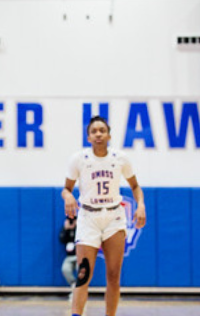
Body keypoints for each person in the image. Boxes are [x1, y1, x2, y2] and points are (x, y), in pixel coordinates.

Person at [62, 116, 147, 316]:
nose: (98, 134)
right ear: (88, 136)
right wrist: (68, 197)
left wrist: (141, 204)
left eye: (102, 130)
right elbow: (66, 189)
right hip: (88, 218)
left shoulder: (120, 158)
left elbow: (135, 186)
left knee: (113, 275)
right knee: (83, 274)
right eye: (94, 131)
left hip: (114, 217)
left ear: (109, 134)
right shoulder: (78, 159)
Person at [59, 216, 78, 291]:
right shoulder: (66, 229)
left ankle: (81, 287)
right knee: (65, 269)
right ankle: (74, 284)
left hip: (79, 255)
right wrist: (65, 229)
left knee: (80, 269)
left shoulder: (80, 229)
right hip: (69, 256)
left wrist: (77, 227)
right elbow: (62, 240)